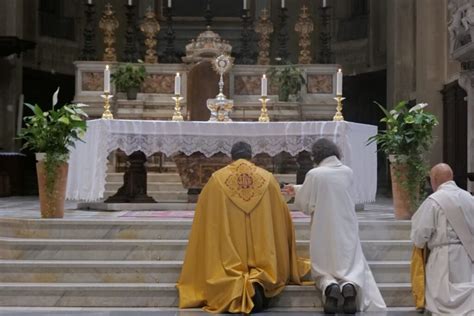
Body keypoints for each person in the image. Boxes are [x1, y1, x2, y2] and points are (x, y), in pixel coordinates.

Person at [177, 141, 310, 314]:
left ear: (231, 157)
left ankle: (237, 286)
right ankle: (258, 283)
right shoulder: (268, 179)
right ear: (251, 156)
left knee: (225, 267)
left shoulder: (217, 180)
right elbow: (281, 218)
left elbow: (205, 218)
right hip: (263, 250)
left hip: (229, 251)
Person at [283, 138, 386, 314]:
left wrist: (298, 192)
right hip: (346, 223)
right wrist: (300, 188)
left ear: (317, 155)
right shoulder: (347, 172)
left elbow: (307, 204)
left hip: (323, 225)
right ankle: (349, 284)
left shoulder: (314, 174)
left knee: (323, 261)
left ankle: (329, 285)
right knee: (349, 260)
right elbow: (332, 188)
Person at [411, 163, 474, 315]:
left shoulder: (434, 201)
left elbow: (420, 235)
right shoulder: (469, 198)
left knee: (444, 301)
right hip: (467, 255)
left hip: (443, 257)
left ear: (434, 179)